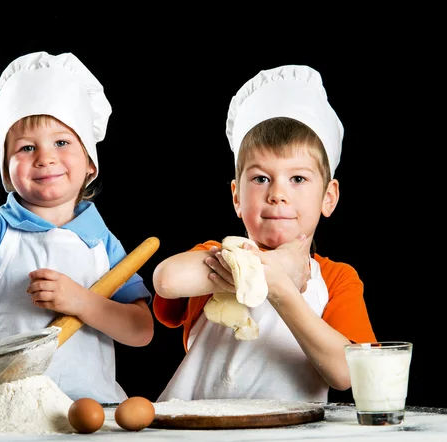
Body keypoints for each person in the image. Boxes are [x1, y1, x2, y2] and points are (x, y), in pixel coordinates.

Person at [0, 51, 154, 410]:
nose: (45, 158)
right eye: (27, 148)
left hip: (93, 409)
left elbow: (140, 330)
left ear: (89, 161)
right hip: (4, 408)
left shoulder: (103, 243)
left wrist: (81, 301)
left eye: (61, 142)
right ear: (5, 167)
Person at [152, 65, 376, 403]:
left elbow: (347, 374)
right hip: (194, 431)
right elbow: (167, 280)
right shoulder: (219, 254)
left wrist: (281, 288)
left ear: (328, 197)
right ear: (237, 197)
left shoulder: (337, 280)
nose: (277, 194)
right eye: (260, 179)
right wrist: (266, 265)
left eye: (298, 179)